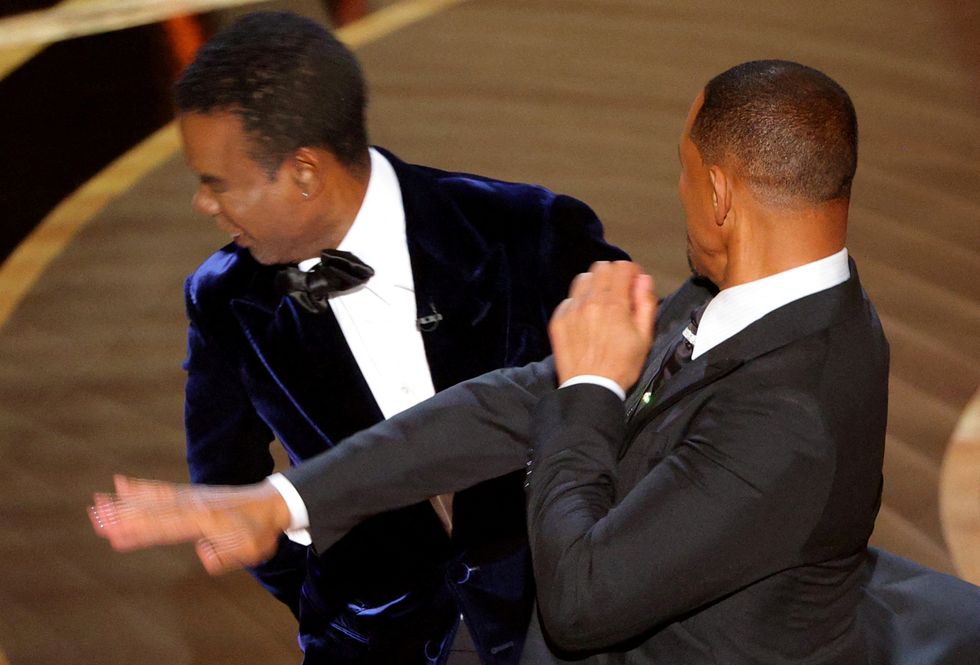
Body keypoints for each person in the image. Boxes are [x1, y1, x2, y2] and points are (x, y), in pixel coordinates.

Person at [94, 60, 940, 662]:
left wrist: (590, 390)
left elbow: (578, 602)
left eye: (684, 174)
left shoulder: (791, 416)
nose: (679, 193)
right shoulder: (743, 293)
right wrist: (281, 500)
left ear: (719, 191)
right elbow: (512, 402)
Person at [161, 10, 626, 665]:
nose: (203, 204)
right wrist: (335, 600)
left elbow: (647, 398)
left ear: (302, 171)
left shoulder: (529, 229)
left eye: (216, 182)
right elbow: (227, 480)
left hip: (560, 626)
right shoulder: (224, 297)